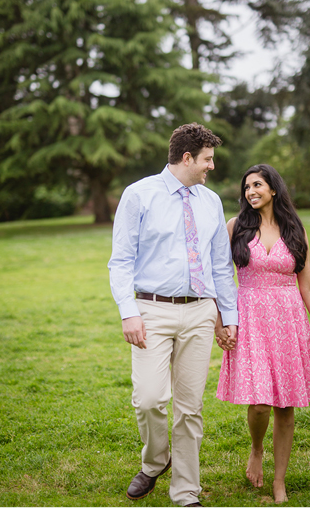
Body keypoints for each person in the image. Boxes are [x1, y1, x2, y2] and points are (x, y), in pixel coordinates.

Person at [108, 123, 238, 507]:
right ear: (187, 158)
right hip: (151, 310)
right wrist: (128, 312)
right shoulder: (139, 195)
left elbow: (220, 265)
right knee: (149, 399)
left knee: (189, 408)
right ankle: (155, 461)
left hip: (199, 311)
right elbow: (120, 261)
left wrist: (227, 315)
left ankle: (185, 492)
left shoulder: (210, 201)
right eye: (207, 160)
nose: (210, 167)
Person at [216, 163, 310, 505]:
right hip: (249, 318)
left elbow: (307, 286)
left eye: (258, 185)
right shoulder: (236, 227)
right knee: (260, 403)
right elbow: (219, 279)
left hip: (289, 319)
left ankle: (280, 480)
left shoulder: (295, 229)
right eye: (247, 187)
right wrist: (222, 321)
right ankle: (256, 448)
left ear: (273, 189)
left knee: (285, 405)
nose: (251, 192)